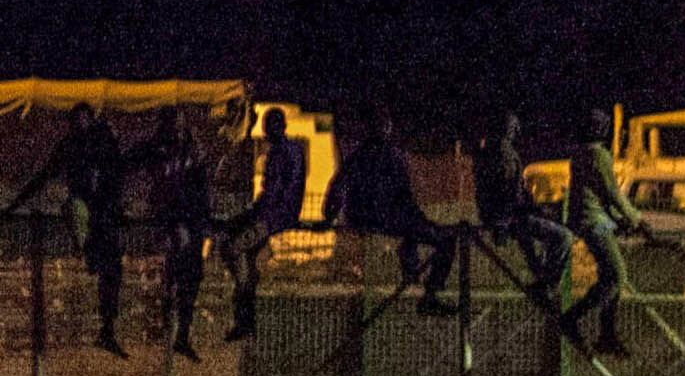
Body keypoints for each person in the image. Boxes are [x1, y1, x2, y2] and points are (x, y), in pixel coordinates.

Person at [9, 101, 137, 352]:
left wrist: (118, 205)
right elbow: (46, 174)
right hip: (90, 212)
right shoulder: (72, 147)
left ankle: (107, 327)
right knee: (75, 208)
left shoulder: (102, 144)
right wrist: (17, 202)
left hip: (103, 214)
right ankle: (88, 251)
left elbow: (117, 175)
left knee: (112, 270)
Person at [325, 108, 462, 319]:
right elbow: (404, 197)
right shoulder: (389, 156)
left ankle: (413, 268)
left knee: (421, 232)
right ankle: (429, 294)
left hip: (370, 217)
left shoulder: (360, 156)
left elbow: (338, 185)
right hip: (385, 217)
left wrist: (329, 216)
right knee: (445, 241)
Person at [220, 105, 314, 344]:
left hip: (273, 216)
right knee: (244, 252)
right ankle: (246, 299)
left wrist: (256, 213)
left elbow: (275, 191)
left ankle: (244, 296)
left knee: (233, 248)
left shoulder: (283, 152)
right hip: (275, 213)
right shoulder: (289, 150)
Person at [473, 112, 574, 314]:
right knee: (563, 237)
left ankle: (541, 282)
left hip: (503, 216)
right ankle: (545, 285)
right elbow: (509, 193)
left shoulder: (488, 150)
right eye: (512, 127)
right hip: (510, 217)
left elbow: (496, 192)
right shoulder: (504, 153)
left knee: (535, 238)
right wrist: (511, 217)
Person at [561, 133, 649, 356]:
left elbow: (597, 193)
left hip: (589, 219)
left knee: (610, 277)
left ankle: (607, 334)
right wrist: (636, 219)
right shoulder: (598, 154)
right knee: (617, 276)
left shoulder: (579, 154)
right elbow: (611, 192)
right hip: (594, 222)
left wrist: (620, 220)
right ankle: (572, 319)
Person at [138, 112, 217, 360]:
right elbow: (161, 184)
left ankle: (181, 331)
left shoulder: (192, 154)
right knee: (178, 260)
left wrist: (203, 217)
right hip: (174, 218)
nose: (177, 133)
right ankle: (169, 315)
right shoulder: (161, 154)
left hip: (191, 219)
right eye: (174, 128)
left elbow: (202, 186)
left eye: (181, 128)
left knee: (191, 274)